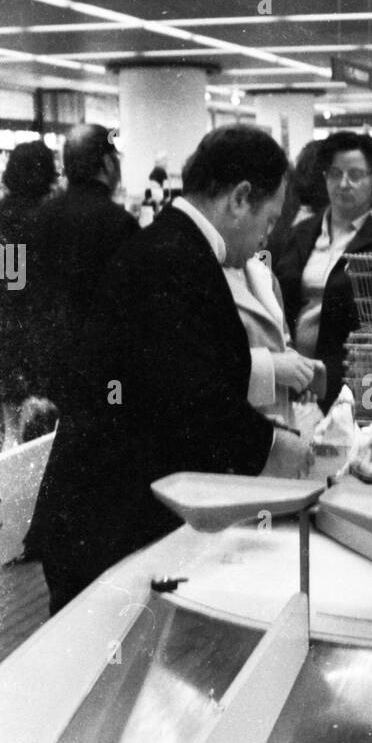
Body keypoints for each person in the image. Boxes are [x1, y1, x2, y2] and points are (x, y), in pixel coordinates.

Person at [29, 125, 311, 614]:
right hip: (106, 528)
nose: (267, 235)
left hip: (104, 514)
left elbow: (183, 370)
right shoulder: (174, 259)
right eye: (268, 219)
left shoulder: (174, 247)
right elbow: (192, 401)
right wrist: (281, 449)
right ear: (240, 198)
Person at [275, 130, 372, 413]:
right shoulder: (301, 233)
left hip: (350, 386)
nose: (343, 183)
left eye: (356, 175)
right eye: (335, 173)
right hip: (292, 379)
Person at [29, 123, 139, 412]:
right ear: (106, 163)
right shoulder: (119, 223)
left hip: (52, 362)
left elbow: (19, 284)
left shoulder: (39, 217)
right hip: (106, 370)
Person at [223, 250, 318, 426]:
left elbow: (283, 341)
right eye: (264, 221)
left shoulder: (263, 275)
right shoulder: (194, 274)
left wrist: (297, 371)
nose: (264, 236)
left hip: (275, 426)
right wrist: (272, 366)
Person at [0, 139, 57, 421]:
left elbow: (12, 278)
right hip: (35, 327)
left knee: (13, 416)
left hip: (11, 325)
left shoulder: (5, 212)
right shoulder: (34, 216)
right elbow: (15, 279)